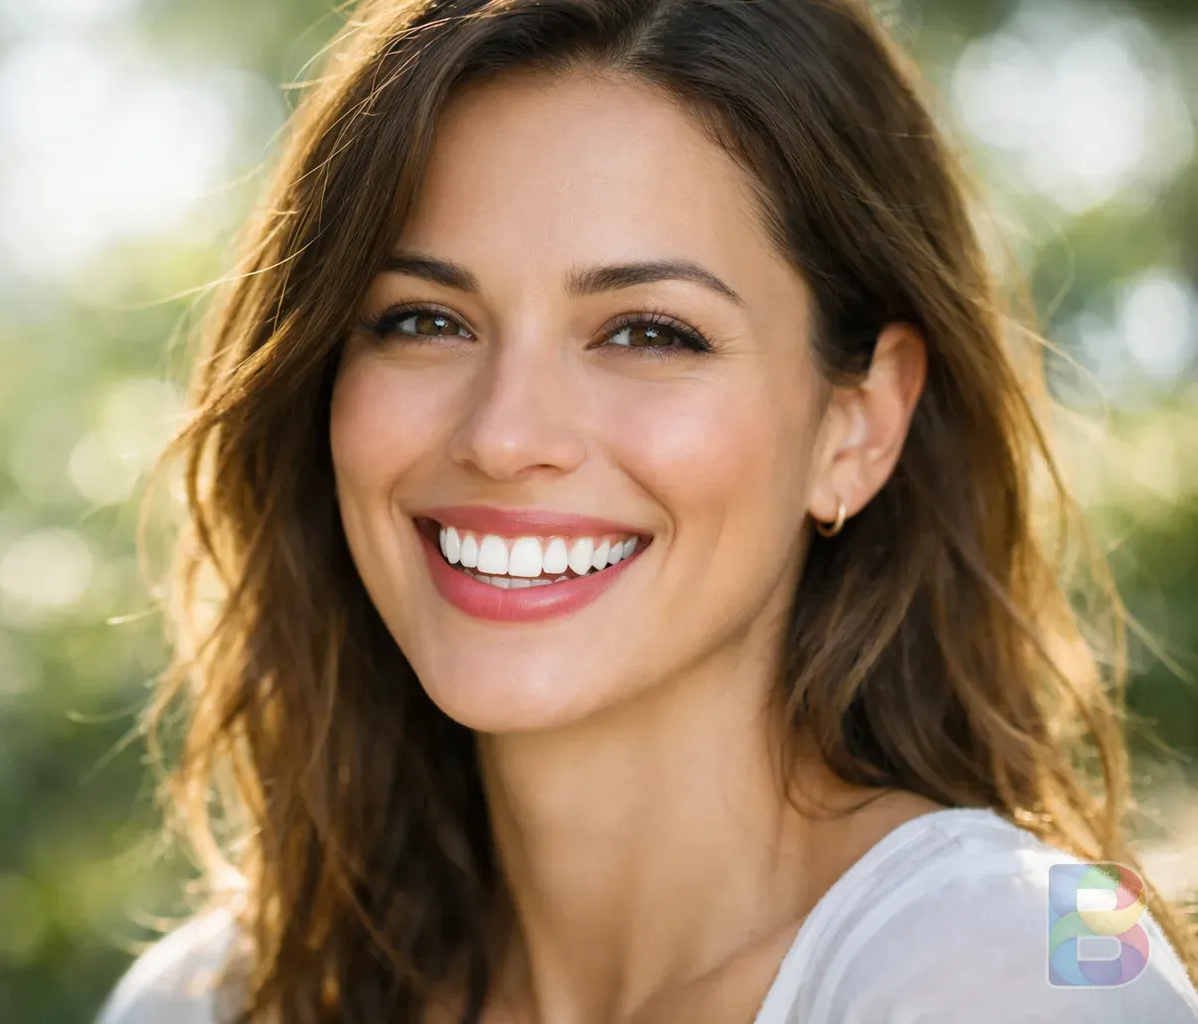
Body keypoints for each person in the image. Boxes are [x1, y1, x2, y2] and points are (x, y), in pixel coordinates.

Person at [97, 0, 1198, 1020]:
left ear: (855, 425)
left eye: (648, 332)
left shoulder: (1031, 960)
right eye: (424, 320)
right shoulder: (212, 996)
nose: (504, 433)